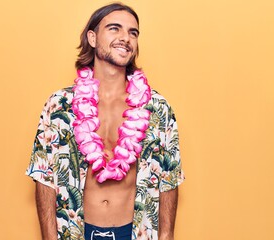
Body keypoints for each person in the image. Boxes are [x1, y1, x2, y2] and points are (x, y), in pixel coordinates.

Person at [26, 3, 185, 240]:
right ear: (92, 37)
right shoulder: (60, 105)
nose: (126, 38)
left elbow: (169, 179)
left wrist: (166, 236)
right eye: (114, 29)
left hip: (136, 233)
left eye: (133, 32)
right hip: (75, 231)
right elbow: (45, 178)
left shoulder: (158, 108)